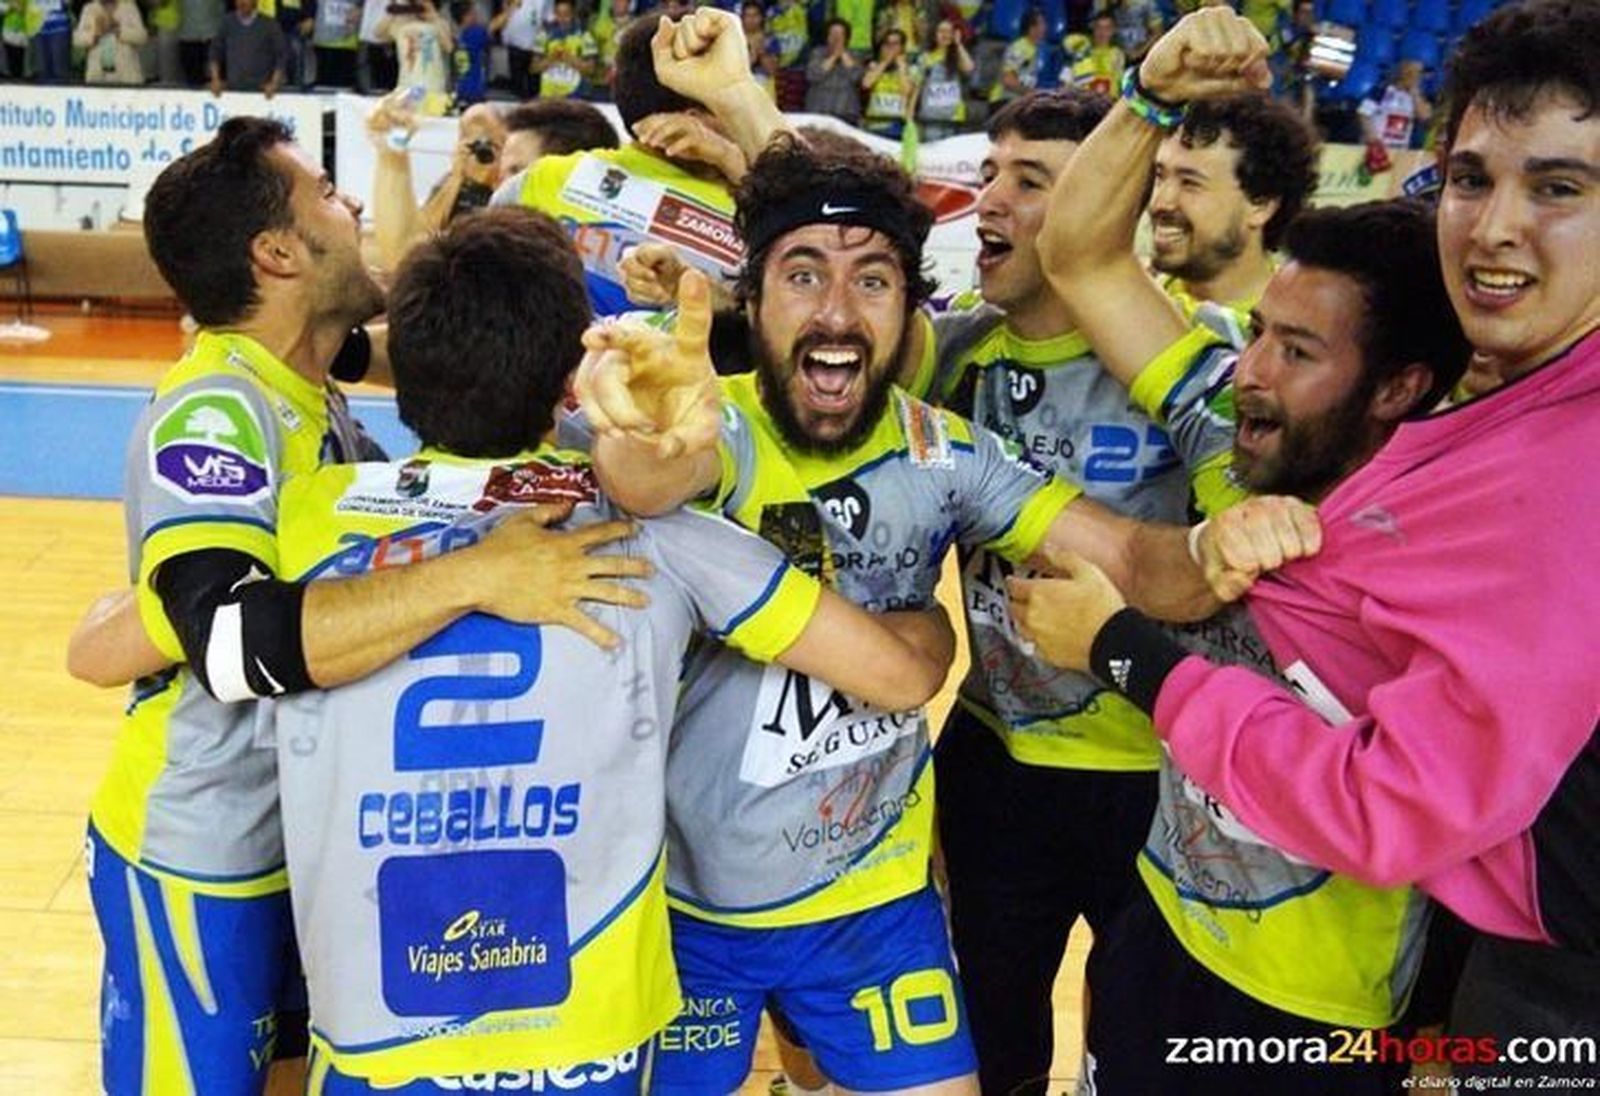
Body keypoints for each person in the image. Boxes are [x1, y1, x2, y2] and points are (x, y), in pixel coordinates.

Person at [573, 127, 1316, 1094]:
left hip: (872, 907)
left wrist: (1217, 548)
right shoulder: (719, 430)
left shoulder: (951, 453)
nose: (838, 313)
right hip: (683, 902)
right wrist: (640, 442)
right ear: (750, 301)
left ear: (909, 306)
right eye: (803, 276)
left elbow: (1131, 555)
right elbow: (653, 473)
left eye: (873, 281)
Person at [1023, 0, 1599, 1082]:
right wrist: (1148, 96)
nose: (1493, 226)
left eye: (1558, 187)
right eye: (1469, 180)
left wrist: (1125, 651)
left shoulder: (1544, 481)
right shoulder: (1249, 429)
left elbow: (1400, 807)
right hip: (1166, 928)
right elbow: (1082, 256)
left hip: (1322, 1005)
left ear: (1398, 388)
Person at [270, 205, 961, 1094]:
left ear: (403, 370)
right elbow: (897, 675)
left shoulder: (306, 512)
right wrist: (931, 623)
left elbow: (140, 641)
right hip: (581, 1021)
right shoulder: (659, 531)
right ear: (572, 384)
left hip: (377, 1014)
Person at [71, 117, 647, 1096]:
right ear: (278, 252)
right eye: (333, 196)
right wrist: (474, 574)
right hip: (204, 844)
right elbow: (226, 641)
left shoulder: (308, 374)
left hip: (309, 828)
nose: (354, 213)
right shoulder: (221, 407)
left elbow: (453, 345)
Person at [492, 9, 782, 314]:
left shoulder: (542, 180)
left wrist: (731, 160)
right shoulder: (763, 218)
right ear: (696, 121)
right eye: (732, 99)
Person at [1144, 91, 1320, 324]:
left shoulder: (1289, 331)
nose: (1160, 202)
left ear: (1260, 204)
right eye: (1160, 176)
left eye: (1190, 183)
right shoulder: (1135, 292)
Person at [209, 0, 286, 94]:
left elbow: (281, 56)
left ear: (255, 1)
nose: (242, 2)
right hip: (233, 90)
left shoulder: (270, 24)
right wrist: (215, 79)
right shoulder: (226, 22)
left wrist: (274, 83)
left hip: (262, 91)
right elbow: (215, 52)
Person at [916, 19, 974, 141]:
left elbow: (969, 68)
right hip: (931, 117)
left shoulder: (957, 56)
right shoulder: (925, 58)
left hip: (953, 117)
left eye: (949, 31)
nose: (945, 34)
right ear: (934, 35)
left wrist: (958, 44)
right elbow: (916, 87)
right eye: (941, 31)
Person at [1359, 57, 1433, 152]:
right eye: (1416, 72)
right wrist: (1372, 138)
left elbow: (1425, 118)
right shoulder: (1381, 91)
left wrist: (1414, 93)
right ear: (1404, 72)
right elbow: (1363, 114)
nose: (1419, 77)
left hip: (1400, 149)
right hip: (1376, 147)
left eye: (1419, 73)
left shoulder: (1418, 97)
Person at [860, 28, 919, 139]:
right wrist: (885, 62)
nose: (891, 48)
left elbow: (906, 91)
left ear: (902, 47)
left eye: (895, 44)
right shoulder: (873, 66)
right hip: (875, 123)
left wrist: (901, 67)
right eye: (887, 44)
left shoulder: (911, 69)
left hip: (896, 125)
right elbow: (866, 84)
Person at [530, 0, 596, 99]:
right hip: (549, 96)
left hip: (575, 96)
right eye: (558, 14)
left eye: (566, 14)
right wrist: (552, 59)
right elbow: (533, 68)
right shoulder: (544, 34)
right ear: (554, 13)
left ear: (573, 13)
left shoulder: (585, 35)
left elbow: (591, 70)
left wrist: (570, 59)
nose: (562, 18)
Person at [804, 18, 863, 125]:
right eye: (833, 34)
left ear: (846, 38)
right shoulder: (817, 52)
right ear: (827, 36)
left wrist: (843, 54)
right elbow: (813, 75)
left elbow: (856, 77)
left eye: (840, 34)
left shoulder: (855, 54)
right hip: (819, 109)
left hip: (846, 111)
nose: (836, 38)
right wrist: (834, 56)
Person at [74, 0, 148, 84]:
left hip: (127, 76)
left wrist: (119, 31)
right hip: (97, 76)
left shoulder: (129, 7)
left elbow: (142, 37)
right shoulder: (89, 9)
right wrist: (95, 34)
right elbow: (77, 39)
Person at [992, 9, 1047, 106]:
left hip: (1022, 100)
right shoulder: (1019, 48)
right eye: (1041, 24)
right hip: (1004, 100)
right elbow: (1008, 80)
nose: (1045, 28)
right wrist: (1032, 93)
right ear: (1031, 28)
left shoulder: (1038, 49)